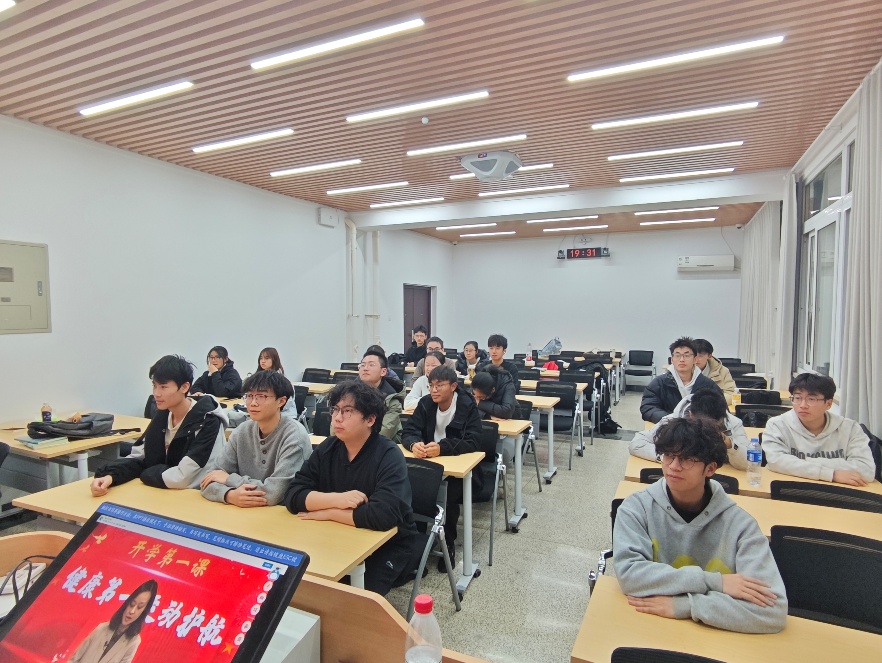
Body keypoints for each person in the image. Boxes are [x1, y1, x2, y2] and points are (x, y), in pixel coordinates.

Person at [614, 417, 787, 634]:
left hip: (715, 640)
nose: (673, 467)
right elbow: (630, 575)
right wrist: (716, 582)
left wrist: (687, 605)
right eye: (668, 456)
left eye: (687, 459)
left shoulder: (741, 526)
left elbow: (772, 610)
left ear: (710, 469)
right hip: (649, 628)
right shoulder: (636, 508)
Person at [284, 380, 418, 595]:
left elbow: (383, 516)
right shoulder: (328, 447)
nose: (337, 418)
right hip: (336, 535)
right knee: (298, 582)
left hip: (387, 544)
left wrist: (329, 513)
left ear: (370, 419)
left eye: (347, 411)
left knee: (350, 598)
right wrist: (338, 500)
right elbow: (293, 495)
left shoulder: (389, 454)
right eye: (335, 410)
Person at [90, 355, 227, 495]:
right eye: (154, 386)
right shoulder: (162, 415)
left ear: (184, 387)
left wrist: (147, 473)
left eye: (163, 387)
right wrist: (111, 476)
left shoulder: (207, 420)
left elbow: (183, 478)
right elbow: (140, 457)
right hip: (160, 492)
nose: (156, 393)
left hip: (196, 496)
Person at [401, 365, 482, 570]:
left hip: (456, 464)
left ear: (453, 386)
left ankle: (448, 543)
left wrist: (442, 448)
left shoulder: (466, 405)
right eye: (431, 385)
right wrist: (414, 444)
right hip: (428, 460)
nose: (434, 390)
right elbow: (408, 431)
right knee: (413, 487)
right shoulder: (426, 403)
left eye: (439, 385)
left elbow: (473, 441)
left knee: (450, 495)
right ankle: (418, 541)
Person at [200, 370, 311, 507]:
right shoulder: (241, 431)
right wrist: (229, 495)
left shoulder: (294, 436)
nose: (253, 403)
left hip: (279, 514)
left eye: (261, 396)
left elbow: (273, 494)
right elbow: (209, 479)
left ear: (281, 401)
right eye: (249, 396)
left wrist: (229, 479)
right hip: (240, 513)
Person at [762, 373, 875, 485]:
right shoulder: (777, 425)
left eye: (811, 399)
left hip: (838, 493)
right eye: (797, 398)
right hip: (793, 488)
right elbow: (775, 461)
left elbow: (866, 470)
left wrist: (799, 462)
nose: (803, 405)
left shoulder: (850, 429)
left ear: (828, 404)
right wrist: (831, 474)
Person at [630, 388, 749, 469]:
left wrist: (729, 444)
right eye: (702, 424)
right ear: (691, 415)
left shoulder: (733, 424)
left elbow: (749, 463)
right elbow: (637, 443)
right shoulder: (674, 421)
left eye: (712, 425)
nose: (706, 429)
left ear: (722, 418)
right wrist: (665, 457)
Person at [69, 579, 158, 663]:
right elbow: (73, 660)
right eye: (132, 604)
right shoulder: (101, 628)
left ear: (144, 612)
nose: (132, 611)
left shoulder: (133, 642)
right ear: (127, 603)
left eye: (139, 607)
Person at [640, 337, 720, 423]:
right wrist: (671, 420)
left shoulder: (708, 385)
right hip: (668, 427)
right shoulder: (659, 383)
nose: (682, 360)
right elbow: (648, 407)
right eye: (677, 355)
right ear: (672, 360)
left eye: (687, 356)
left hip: (699, 428)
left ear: (695, 359)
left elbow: (720, 411)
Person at [358, 349, 406, 443]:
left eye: (371, 365)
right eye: (362, 365)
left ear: (383, 371)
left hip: (384, 445)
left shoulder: (392, 399)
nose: (365, 368)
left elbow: (384, 434)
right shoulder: (349, 394)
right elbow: (338, 426)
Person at [693, 339, 737, 404]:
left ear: (709, 356)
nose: (696, 360)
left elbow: (731, 394)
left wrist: (709, 402)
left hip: (714, 407)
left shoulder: (722, 371)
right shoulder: (682, 371)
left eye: (700, 356)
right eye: (694, 356)